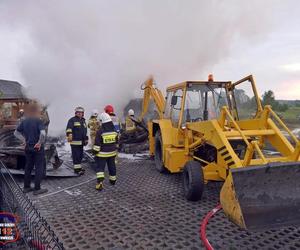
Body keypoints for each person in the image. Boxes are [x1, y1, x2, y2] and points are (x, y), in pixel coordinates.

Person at [14, 104, 48, 195]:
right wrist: (39, 143)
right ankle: (37, 189)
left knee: (28, 167)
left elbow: (16, 133)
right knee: (39, 168)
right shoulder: (38, 121)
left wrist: (24, 140)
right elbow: (43, 134)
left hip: (27, 147)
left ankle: (26, 187)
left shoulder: (24, 121)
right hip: (37, 148)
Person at [93, 112, 118, 191]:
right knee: (112, 166)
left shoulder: (100, 131)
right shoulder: (114, 130)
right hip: (112, 153)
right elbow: (117, 141)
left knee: (100, 168)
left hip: (102, 154)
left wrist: (95, 152)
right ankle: (113, 180)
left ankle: (99, 183)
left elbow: (97, 144)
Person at [66, 107, 88, 175]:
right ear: (76, 113)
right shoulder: (72, 120)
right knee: (76, 156)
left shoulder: (83, 121)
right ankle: (77, 170)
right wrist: (69, 134)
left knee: (80, 156)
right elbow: (69, 129)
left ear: (83, 113)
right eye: (78, 112)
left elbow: (84, 131)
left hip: (81, 142)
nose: (79, 113)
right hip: (75, 142)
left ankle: (79, 168)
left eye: (81, 112)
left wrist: (86, 139)